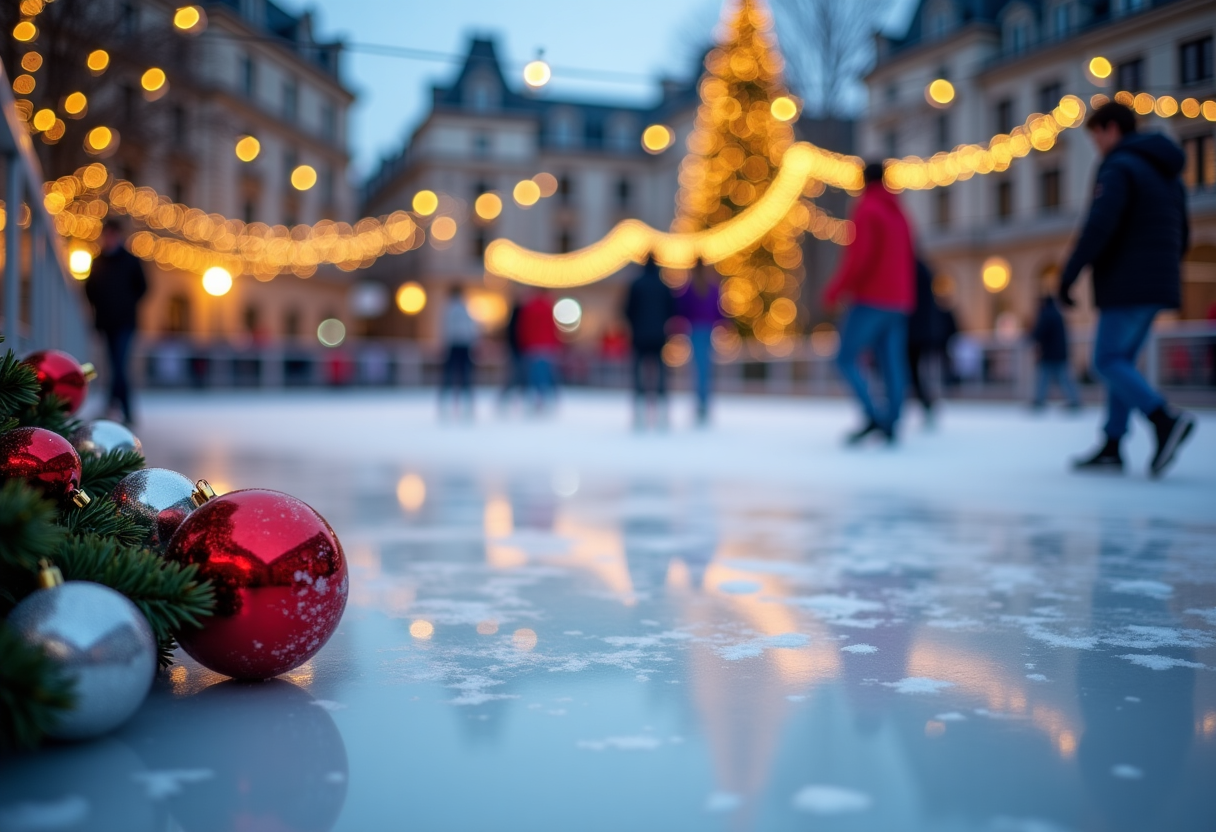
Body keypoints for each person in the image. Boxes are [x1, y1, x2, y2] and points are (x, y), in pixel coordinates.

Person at [1059, 101, 1195, 477]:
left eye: (1096, 136)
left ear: (1111, 129)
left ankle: (1163, 419)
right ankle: (1113, 443)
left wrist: (1069, 273)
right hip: (1157, 281)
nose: (1097, 145)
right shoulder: (1166, 172)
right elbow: (1184, 232)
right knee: (1120, 362)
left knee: (1106, 361)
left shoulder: (1119, 165)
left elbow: (1100, 224)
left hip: (1127, 281)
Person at [823, 161, 915, 444]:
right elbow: (910, 256)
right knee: (892, 361)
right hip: (899, 301)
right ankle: (891, 420)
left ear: (863, 180)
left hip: (872, 298)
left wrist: (835, 291)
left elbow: (858, 258)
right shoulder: (898, 212)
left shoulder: (867, 209)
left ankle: (874, 415)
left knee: (845, 357)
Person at [84, 219, 147, 425]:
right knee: (114, 366)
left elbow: (143, 287)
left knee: (119, 365)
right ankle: (118, 408)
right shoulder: (98, 261)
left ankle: (119, 408)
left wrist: (126, 303)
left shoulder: (130, 261)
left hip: (125, 323)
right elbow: (89, 289)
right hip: (106, 323)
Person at [624, 257, 677, 428]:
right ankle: (662, 410)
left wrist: (635, 325)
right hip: (658, 336)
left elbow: (627, 310)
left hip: (639, 336)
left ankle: (639, 410)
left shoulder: (637, 284)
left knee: (638, 372)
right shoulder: (663, 286)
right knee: (660, 372)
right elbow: (671, 309)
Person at [905, 258, 952, 425]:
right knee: (917, 371)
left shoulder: (911, 270)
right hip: (924, 331)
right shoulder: (924, 270)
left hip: (914, 332)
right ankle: (927, 403)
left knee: (912, 371)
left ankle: (926, 403)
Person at [677, 259, 721, 424]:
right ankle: (703, 402)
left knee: (699, 368)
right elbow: (719, 311)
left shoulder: (690, 288)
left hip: (696, 330)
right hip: (706, 330)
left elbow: (681, 308)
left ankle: (701, 402)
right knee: (705, 368)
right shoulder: (711, 287)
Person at [1030, 293, 1080, 411]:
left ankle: (1039, 399)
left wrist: (1032, 337)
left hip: (1049, 352)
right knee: (1064, 377)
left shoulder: (1046, 314)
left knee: (1045, 376)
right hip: (1060, 352)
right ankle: (1074, 399)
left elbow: (1039, 332)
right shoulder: (1057, 314)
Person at [516, 290, 561, 411]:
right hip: (546, 345)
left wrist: (524, 343)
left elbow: (524, 327)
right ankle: (544, 398)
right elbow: (552, 328)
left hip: (532, 346)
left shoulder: (529, 307)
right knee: (545, 374)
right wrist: (555, 344)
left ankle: (536, 399)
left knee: (534, 374)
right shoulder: (548, 306)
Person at [438, 285, 477, 418]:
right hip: (464, 345)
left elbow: (445, 328)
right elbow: (472, 327)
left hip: (453, 345)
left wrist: (444, 344)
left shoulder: (449, 308)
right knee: (465, 375)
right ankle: (468, 404)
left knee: (450, 375)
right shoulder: (465, 308)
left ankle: (444, 403)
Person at [498, 299, 527, 408]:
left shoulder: (514, 319)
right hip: (520, 350)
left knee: (517, 375)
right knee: (518, 375)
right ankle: (514, 397)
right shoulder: (520, 319)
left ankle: (509, 397)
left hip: (518, 349)